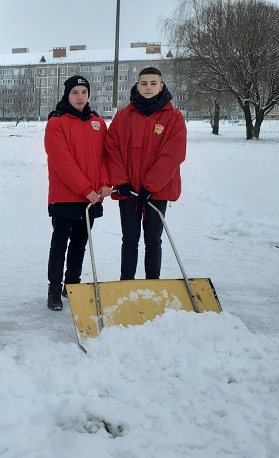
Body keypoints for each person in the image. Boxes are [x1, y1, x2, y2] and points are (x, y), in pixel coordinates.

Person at [104, 67, 187, 280]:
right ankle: (126, 282)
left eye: (152, 83)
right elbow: (111, 148)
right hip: (129, 190)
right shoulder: (124, 116)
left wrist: (150, 186)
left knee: (153, 240)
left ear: (161, 86)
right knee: (129, 239)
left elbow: (173, 155)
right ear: (137, 86)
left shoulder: (174, 118)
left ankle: (153, 283)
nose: (148, 87)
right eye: (144, 83)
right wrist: (121, 181)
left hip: (156, 191)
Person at [44, 76, 112, 311]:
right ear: (67, 94)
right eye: (75, 92)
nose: (80, 96)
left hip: (91, 198)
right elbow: (62, 161)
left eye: (84, 92)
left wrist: (104, 183)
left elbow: (104, 157)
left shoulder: (98, 124)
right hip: (65, 195)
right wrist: (85, 189)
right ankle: (54, 288)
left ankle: (72, 284)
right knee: (60, 243)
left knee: (80, 243)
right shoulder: (57, 122)